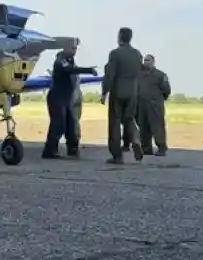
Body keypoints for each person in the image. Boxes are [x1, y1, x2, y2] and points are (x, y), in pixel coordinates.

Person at [42, 41, 96, 159]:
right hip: (57, 97)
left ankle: (72, 149)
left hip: (69, 98)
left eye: (76, 49)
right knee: (58, 124)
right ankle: (50, 151)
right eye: (72, 48)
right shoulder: (60, 61)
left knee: (72, 124)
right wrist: (88, 70)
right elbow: (70, 70)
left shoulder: (70, 61)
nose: (74, 51)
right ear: (65, 48)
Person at [101, 27, 144, 164]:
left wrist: (104, 92)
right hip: (132, 92)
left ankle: (117, 155)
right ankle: (136, 141)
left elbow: (110, 75)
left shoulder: (115, 53)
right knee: (129, 120)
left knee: (114, 123)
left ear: (120, 36)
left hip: (118, 91)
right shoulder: (137, 54)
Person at [137, 54, 171, 156]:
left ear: (153, 62)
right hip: (142, 105)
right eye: (145, 60)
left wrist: (157, 99)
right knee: (143, 127)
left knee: (157, 126)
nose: (146, 62)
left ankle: (162, 148)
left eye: (148, 60)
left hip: (155, 105)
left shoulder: (160, 75)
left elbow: (166, 90)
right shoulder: (139, 75)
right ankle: (146, 148)